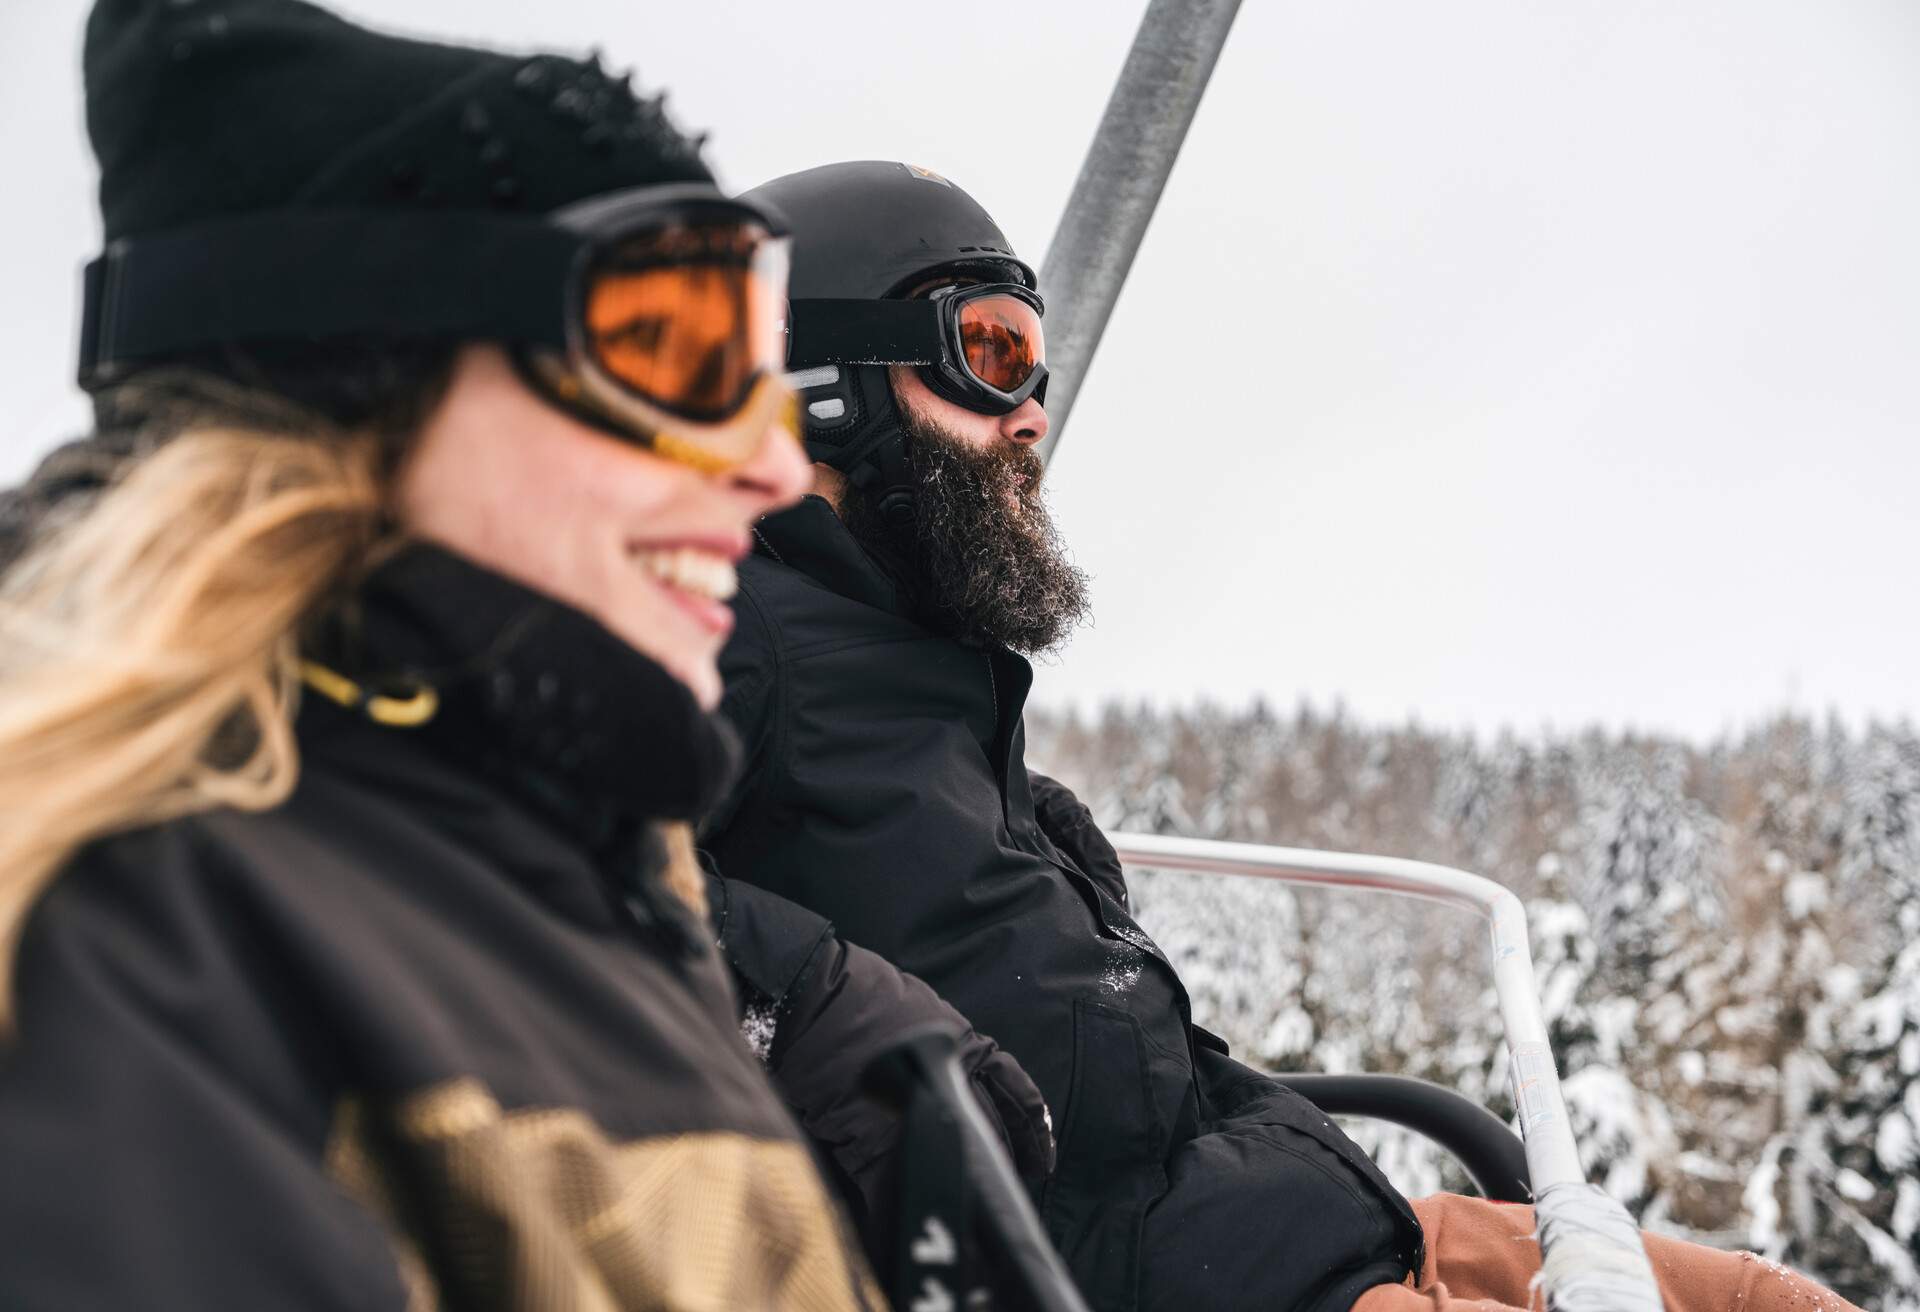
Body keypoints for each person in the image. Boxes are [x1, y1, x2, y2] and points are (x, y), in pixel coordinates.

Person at [700, 160, 1863, 1312]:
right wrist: (811, 1003)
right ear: (818, 386)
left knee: (1773, 1298)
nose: (1032, 410)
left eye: (1033, 358)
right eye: (989, 350)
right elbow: (536, 866)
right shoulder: (721, 632)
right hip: (1163, 1276)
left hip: (1285, 1222)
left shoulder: (927, 679)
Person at [0, 7, 1016, 1308]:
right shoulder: (140, 971)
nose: (766, 463)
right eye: (674, 347)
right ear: (367, 381)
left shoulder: (576, 856)